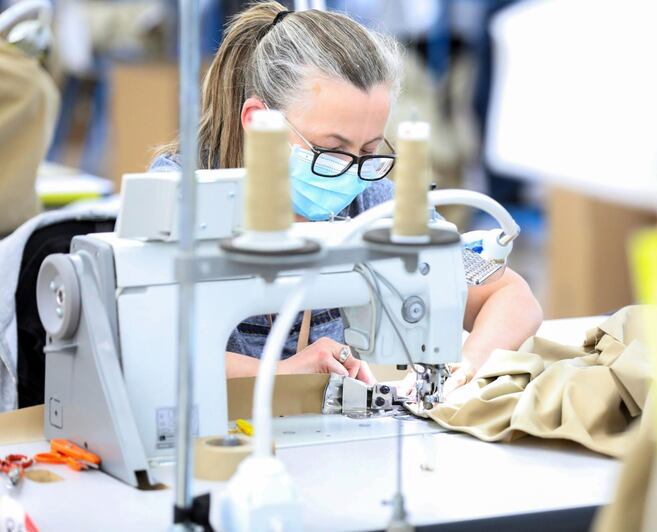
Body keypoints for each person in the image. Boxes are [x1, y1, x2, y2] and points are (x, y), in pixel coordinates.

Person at [151, 1, 542, 393]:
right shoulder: (180, 198)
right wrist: (284, 372)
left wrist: (462, 372)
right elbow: (149, 348)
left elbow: (511, 296)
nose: (351, 170)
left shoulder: (370, 201)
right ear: (259, 122)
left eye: (369, 151)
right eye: (331, 149)